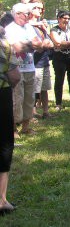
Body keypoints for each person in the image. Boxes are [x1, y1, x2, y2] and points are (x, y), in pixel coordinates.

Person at [5, 3, 43, 137]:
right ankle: (14, 128)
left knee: (29, 98)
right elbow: (17, 48)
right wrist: (31, 45)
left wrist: (28, 44)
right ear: (17, 14)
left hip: (30, 67)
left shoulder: (29, 27)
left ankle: (26, 126)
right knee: (16, 99)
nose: (29, 16)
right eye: (26, 13)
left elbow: (40, 45)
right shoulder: (10, 29)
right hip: (16, 69)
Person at [0, 26, 21, 215]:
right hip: (1, 94)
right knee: (4, 143)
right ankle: (1, 200)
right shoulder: (4, 45)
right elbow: (15, 75)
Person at [29, 0, 54, 118]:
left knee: (44, 88)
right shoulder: (28, 25)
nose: (40, 10)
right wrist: (44, 44)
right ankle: (32, 113)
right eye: (36, 7)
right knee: (34, 89)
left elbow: (50, 42)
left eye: (41, 8)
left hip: (44, 60)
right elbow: (37, 46)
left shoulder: (41, 25)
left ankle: (46, 111)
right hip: (34, 62)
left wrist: (45, 42)